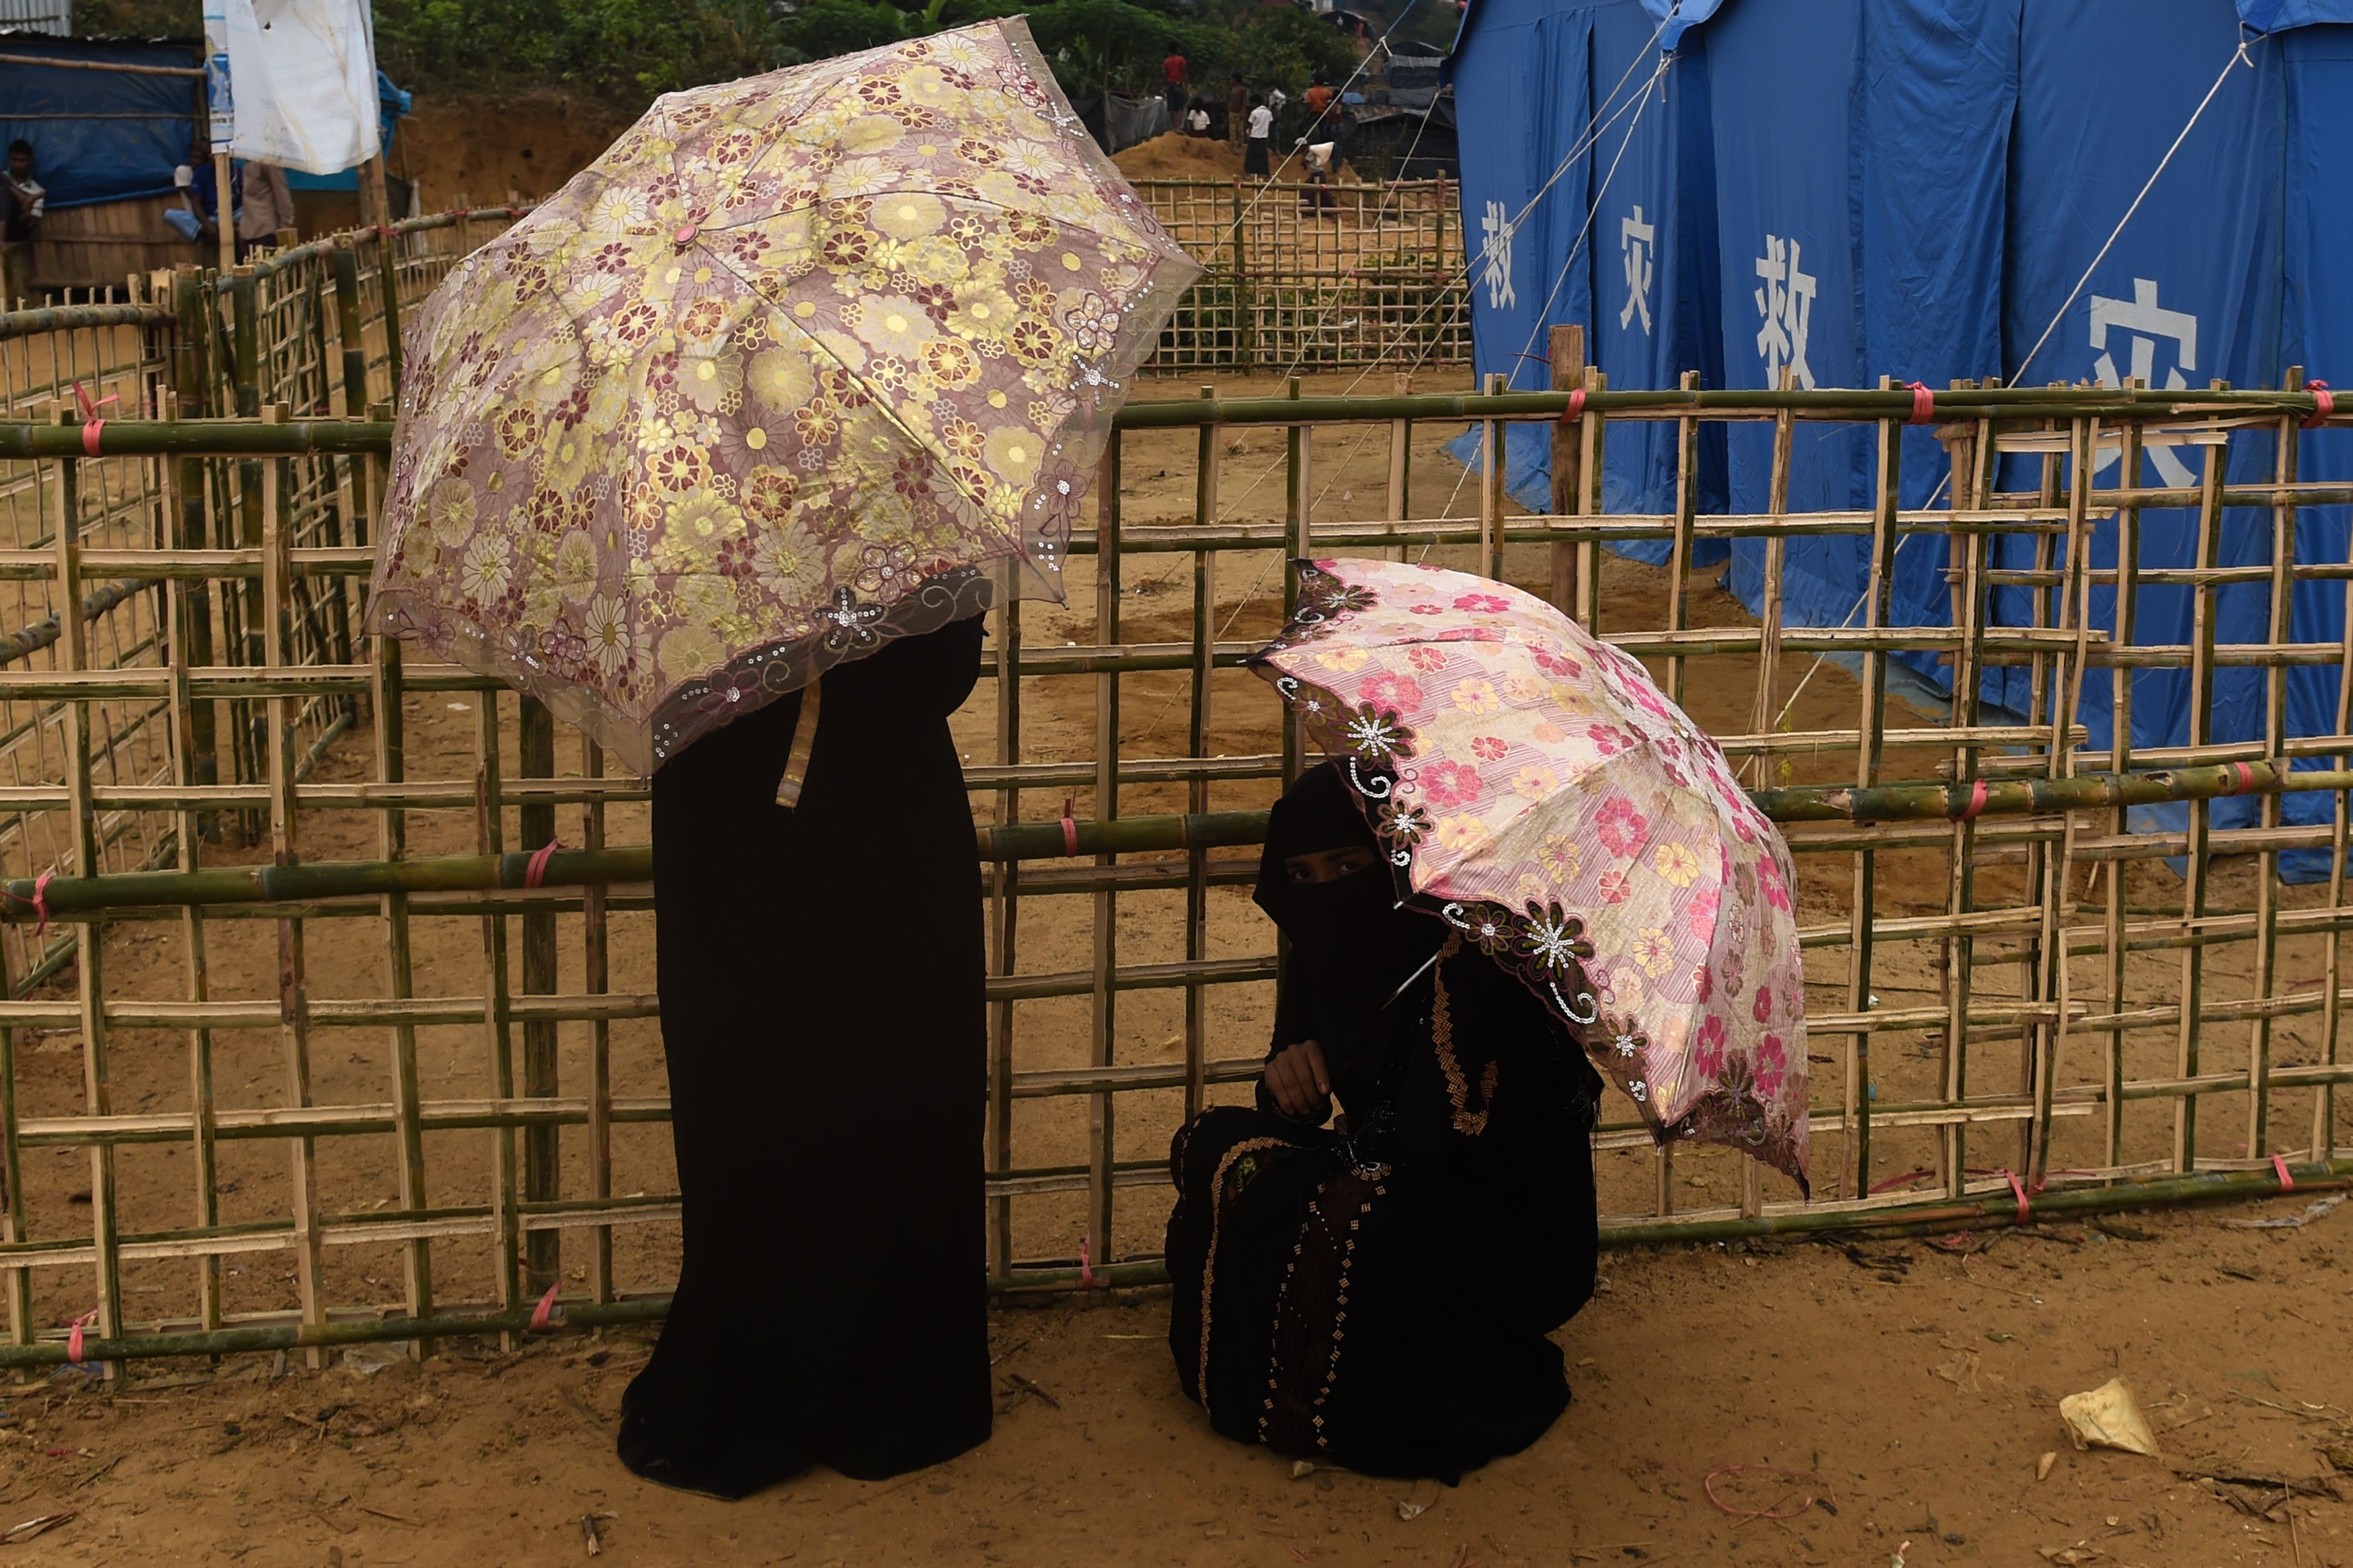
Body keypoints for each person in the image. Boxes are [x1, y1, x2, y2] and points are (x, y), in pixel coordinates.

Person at [618, 617, 994, 1495]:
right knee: (826, 1081)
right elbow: (943, 673)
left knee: (782, 1084)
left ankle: (766, 1372)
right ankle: (891, 1381)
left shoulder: (673, 500)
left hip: (760, 818)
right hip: (848, 825)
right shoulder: (900, 497)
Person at [1164, 762, 1605, 1481]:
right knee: (1214, 1150)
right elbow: (1305, 1114)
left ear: (1400, 860)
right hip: (1393, 1190)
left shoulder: (1486, 958)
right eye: (1302, 877)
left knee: (1347, 1222)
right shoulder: (1321, 956)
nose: (1326, 892)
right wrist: (1288, 1080)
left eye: (1348, 864)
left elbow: (1442, 1141)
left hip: (1510, 1231)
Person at [0, 140, 42, 304]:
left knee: (4, 189)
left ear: (30, 161)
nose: (18, 164)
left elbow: (33, 221)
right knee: (4, 190)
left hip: (17, 228)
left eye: (22, 160)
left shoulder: (36, 189)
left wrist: (25, 213)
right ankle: (21, 197)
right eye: (14, 160)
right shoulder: (3, 179)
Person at [236, 158, 296, 253]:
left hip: (266, 231)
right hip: (249, 232)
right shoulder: (248, 160)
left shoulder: (268, 160)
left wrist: (285, 226)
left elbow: (282, 194)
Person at [1243, 94, 1274, 179]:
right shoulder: (1268, 112)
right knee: (1263, 156)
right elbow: (1270, 123)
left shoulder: (1254, 113)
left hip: (1254, 136)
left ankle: (1248, 173)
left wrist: (1248, 134)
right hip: (1264, 137)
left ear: (1255, 103)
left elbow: (1250, 124)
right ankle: (1267, 175)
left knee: (1251, 156)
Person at [1163, 42, 1189, 122]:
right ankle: (1178, 127)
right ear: (1177, 50)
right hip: (1178, 84)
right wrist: (1186, 84)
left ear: (1168, 51)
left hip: (1170, 83)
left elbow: (1166, 74)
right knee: (1180, 106)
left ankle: (1174, 127)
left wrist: (1165, 85)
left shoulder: (1166, 61)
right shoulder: (1181, 59)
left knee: (1172, 107)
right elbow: (1184, 72)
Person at [1228, 73, 1250, 147]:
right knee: (1232, 130)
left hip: (1239, 112)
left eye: (1232, 79)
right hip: (1232, 112)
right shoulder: (1233, 89)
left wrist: (1242, 112)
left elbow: (1244, 101)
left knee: (1240, 131)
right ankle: (1233, 144)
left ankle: (1240, 144)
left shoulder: (1242, 89)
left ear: (1235, 80)